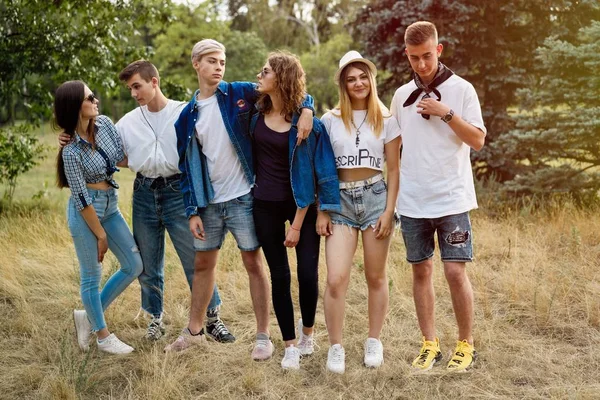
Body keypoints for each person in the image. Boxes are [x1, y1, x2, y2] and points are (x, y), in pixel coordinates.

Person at [59, 61, 234, 343]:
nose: (134, 94)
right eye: (130, 89)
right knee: (148, 263)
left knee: (194, 257)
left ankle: (212, 318)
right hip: (143, 192)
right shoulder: (126, 122)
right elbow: (105, 151)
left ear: (154, 82)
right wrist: (67, 136)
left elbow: (207, 147)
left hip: (178, 192)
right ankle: (155, 318)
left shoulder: (182, 112)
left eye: (137, 86)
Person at [166, 39, 315, 360]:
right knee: (203, 263)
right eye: (211, 61)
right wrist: (191, 210)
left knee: (253, 262)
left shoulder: (238, 94)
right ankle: (193, 332)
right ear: (196, 65)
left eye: (222, 61)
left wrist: (308, 109)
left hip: (246, 196)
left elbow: (291, 88)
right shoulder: (186, 117)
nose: (219, 67)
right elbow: (185, 167)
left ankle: (263, 336)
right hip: (209, 203)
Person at [390, 21, 486, 373]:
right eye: (414, 58)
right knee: (421, 273)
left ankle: (466, 344)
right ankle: (429, 344)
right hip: (413, 201)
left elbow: (477, 140)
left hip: (452, 199)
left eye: (427, 56)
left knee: (454, 273)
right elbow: (391, 145)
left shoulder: (462, 90)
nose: (422, 64)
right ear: (407, 55)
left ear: (439, 49)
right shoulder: (401, 95)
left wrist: (444, 113)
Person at [249, 51, 340, 369]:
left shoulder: (307, 125)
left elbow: (321, 172)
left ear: (281, 78)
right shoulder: (255, 111)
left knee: (306, 273)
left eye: (265, 71)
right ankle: (288, 345)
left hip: (303, 204)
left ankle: (307, 335)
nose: (259, 75)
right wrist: (309, 105)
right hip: (264, 205)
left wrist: (300, 223)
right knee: (279, 275)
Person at [318, 51, 401, 374]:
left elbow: (394, 169)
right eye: (351, 79)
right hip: (338, 202)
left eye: (363, 77)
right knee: (336, 279)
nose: (358, 83)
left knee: (375, 275)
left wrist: (389, 211)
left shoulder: (387, 118)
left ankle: (373, 340)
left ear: (371, 79)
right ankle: (335, 346)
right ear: (343, 83)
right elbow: (322, 169)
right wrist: (321, 210)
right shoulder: (330, 120)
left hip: (375, 198)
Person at [55, 80, 143, 354]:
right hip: (87, 212)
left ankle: (88, 316)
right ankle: (103, 336)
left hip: (110, 204)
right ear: (74, 107)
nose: (96, 101)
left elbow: (121, 157)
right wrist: (101, 235)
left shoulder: (104, 124)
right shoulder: (70, 151)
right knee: (91, 276)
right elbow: (80, 198)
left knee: (133, 264)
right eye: (89, 97)